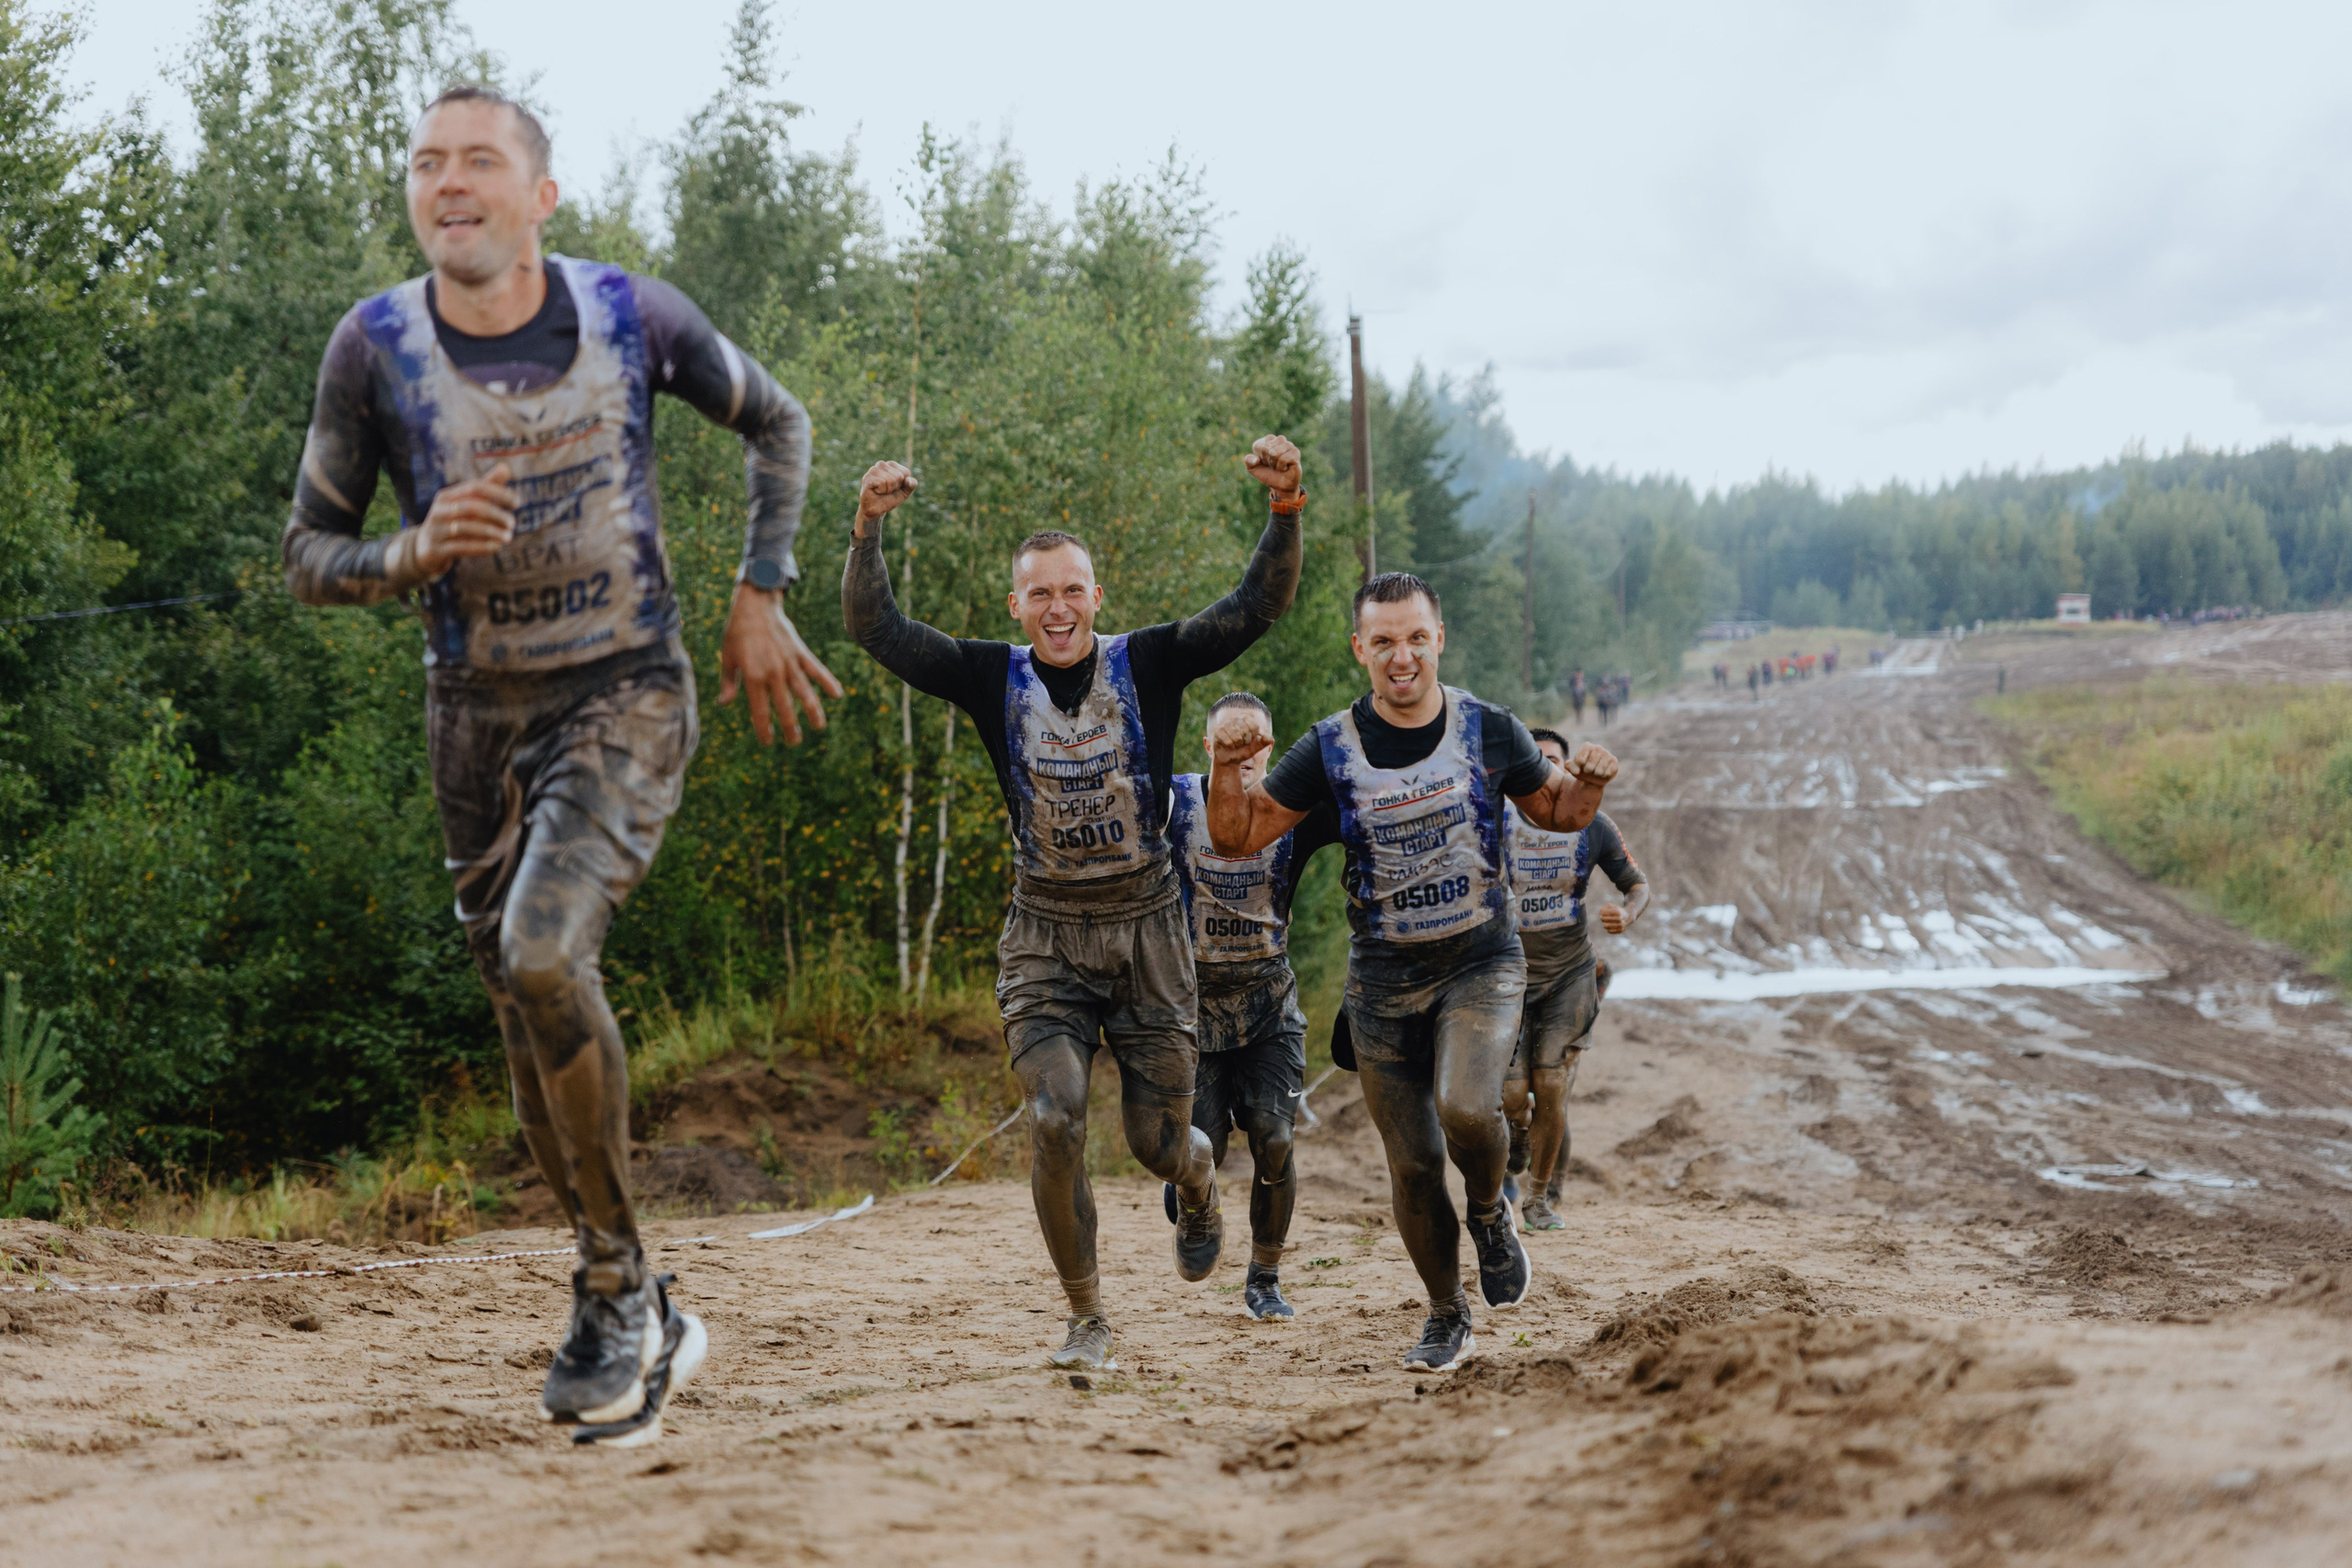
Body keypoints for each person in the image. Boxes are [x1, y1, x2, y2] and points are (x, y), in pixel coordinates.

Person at [281, 86, 841, 1446]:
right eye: (427, 162)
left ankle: (611, 1291)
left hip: (625, 691)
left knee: (544, 952)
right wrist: (407, 555)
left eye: (481, 160)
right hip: (471, 718)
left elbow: (782, 423)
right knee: (524, 1009)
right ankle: (640, 1290)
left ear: (539, 194)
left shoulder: (631, 315)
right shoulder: (374, 350)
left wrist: (760, 587)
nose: (449, 181)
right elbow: (309, 555)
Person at [842, 437, 1306, 1373]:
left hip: (1148, 936)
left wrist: (1285, 507)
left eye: (1072, 591)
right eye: (1039, 594)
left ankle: (1198, 1176)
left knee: (1155, 1144)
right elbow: (877, 629)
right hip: (1045, 935)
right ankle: (1087, 1317)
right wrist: (865, 530)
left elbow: (1257, 607)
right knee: (1054, 1118)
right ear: (1017, 606)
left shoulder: (1152, 664)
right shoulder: (988, 676)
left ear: (1098, 599)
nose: (1057, 608)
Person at [1204, 572, 1618, 1374]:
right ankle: (1445, 1312)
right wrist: (1226, 766)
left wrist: (1591, 779)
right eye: (1383, 641)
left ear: (1439, 639)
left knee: (1469, 1107)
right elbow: (1240, 836)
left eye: (1416, 637)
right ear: (1360, 648)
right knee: (1414, 1164)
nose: (1402, 656)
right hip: (1382, 985)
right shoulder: (1328, 747)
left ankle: (1492, 1213)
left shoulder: (1488, 728)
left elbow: (1558, 812)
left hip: (1480, 962)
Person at [1166, 694, 1338, 1321]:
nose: (1243, 755)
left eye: (1257, 744)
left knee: (1275, 1137)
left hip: (1270, 1006)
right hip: (1191, 1011)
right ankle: (1193, 1198)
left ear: (1273, 748)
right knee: (1198, 1145)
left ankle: (1265, 1276)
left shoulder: (1297, 812)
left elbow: (1373, 823)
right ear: (1209, 749)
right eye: (1229, 744)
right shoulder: (1175, 803)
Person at [1499, 728, 1647, 1230]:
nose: (1546, 772)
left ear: (1570, 770)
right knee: (1512, 1095)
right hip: (1508, 977)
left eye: (1555, 763)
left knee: (1553, 1085)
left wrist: (1628, 914)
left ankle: (1539, 1199)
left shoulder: (1592, 825)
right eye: (1535, 764)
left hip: (1568, 975)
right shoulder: (1492, 823)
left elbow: (1637, 883)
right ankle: (1516, 1132)